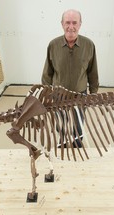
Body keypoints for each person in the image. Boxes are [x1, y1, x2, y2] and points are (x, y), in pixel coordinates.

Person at [41, 9, 99, 148]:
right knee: (61, 122)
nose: (71, 26)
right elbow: (47, 73)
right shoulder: (53, 45)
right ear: (62, 24)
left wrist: (93, 93)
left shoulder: (89, 45)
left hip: (80, 95)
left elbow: (93, 71)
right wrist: (46, 94)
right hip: (58, 96)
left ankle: (77, 145)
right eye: (67, 22)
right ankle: (63, 143)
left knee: (78, 124)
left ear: (80, 24)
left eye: (74, 22)